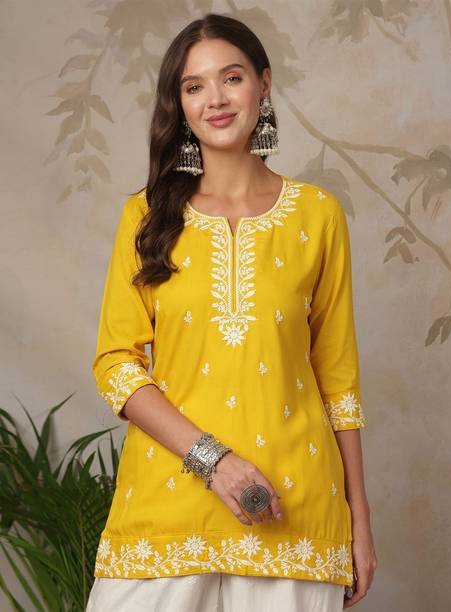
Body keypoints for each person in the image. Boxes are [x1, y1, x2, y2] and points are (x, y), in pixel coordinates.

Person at [86, 12, 377, 612]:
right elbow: (116, 366)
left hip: (295, 510)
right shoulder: (146, 217)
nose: (215, 99)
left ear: (263, 84)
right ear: (180, 104)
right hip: (166, 507)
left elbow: (338, 380)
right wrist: (213, 462)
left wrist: (359, 520)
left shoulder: (317, 215)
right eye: (194, 86)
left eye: (232, 78)